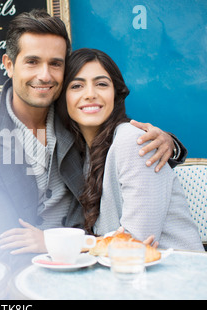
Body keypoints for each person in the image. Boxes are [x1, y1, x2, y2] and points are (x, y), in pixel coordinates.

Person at [0, 10, 188, 270]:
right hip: (38, 270)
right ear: (9, 65)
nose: (45, 75)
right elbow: (4, 249)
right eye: (32, 61)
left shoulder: (75, 116)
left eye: (55, 64)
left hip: (105, 266)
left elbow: (126, 140)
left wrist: (169, 143)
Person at [56, 48, 203, 251]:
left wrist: (59, 242)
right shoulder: (85, 152)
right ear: (63, 98)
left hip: (176, 274)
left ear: (115, 94)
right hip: (128, 274)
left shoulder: (133, 140)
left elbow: (137, 242)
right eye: (77, 86)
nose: (90, 94)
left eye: (101, 84)